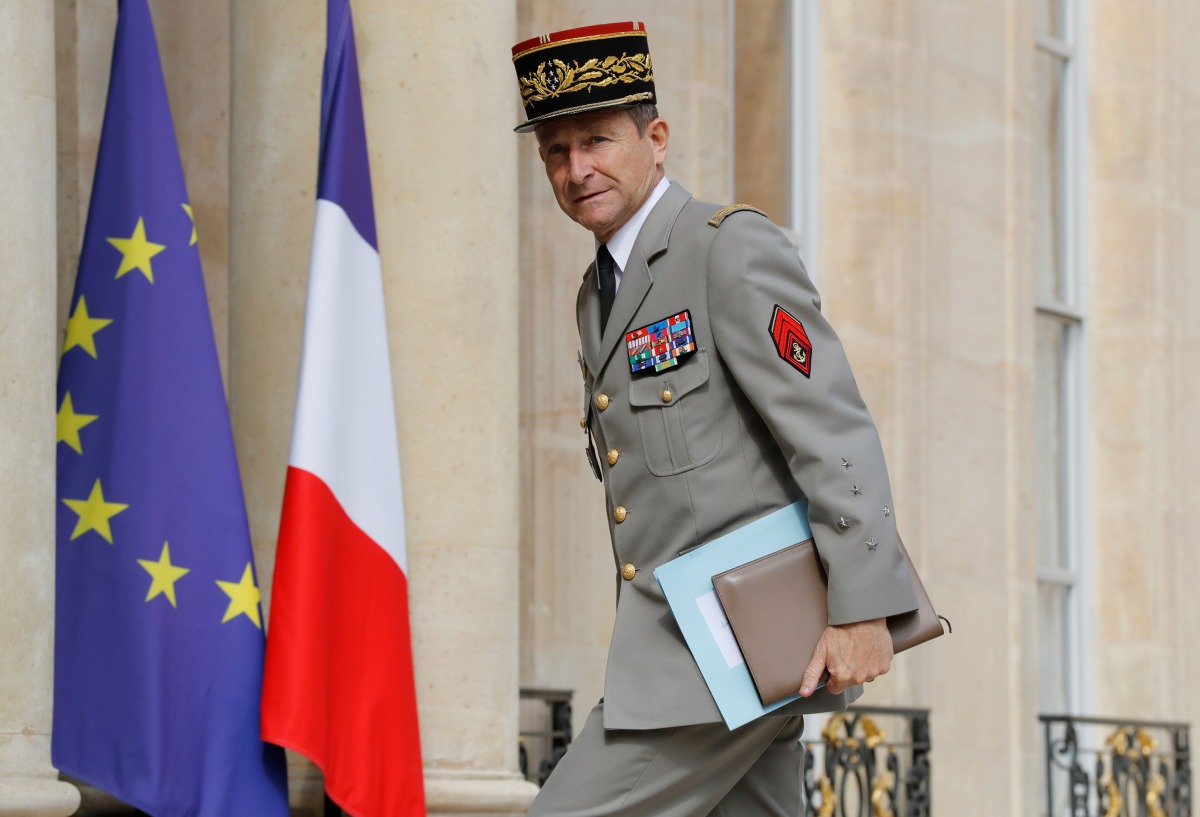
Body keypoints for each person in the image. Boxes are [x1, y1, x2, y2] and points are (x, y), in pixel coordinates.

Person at [512, 21, 920, 817]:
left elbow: (830, 427)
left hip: (717, 653)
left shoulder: (726, 250)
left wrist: (864, 606)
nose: (576, 169)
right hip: (703, 651)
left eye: (596, 140)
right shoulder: (597, 294)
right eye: (556, 152)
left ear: (655, 139)